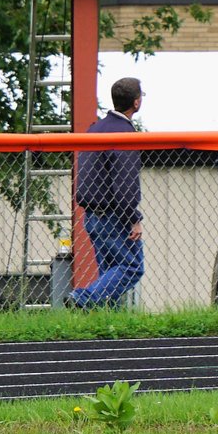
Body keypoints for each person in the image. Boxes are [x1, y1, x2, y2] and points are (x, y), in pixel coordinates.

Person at [66, 77, 145, 307]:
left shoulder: (95, 129)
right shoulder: (124, 134)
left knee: (109, 273)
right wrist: (133, 218)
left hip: (91, 215)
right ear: (136, 102)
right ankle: (81, 299)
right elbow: (125, 184)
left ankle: (105, 322)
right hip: (113, 216)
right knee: (132, 267)